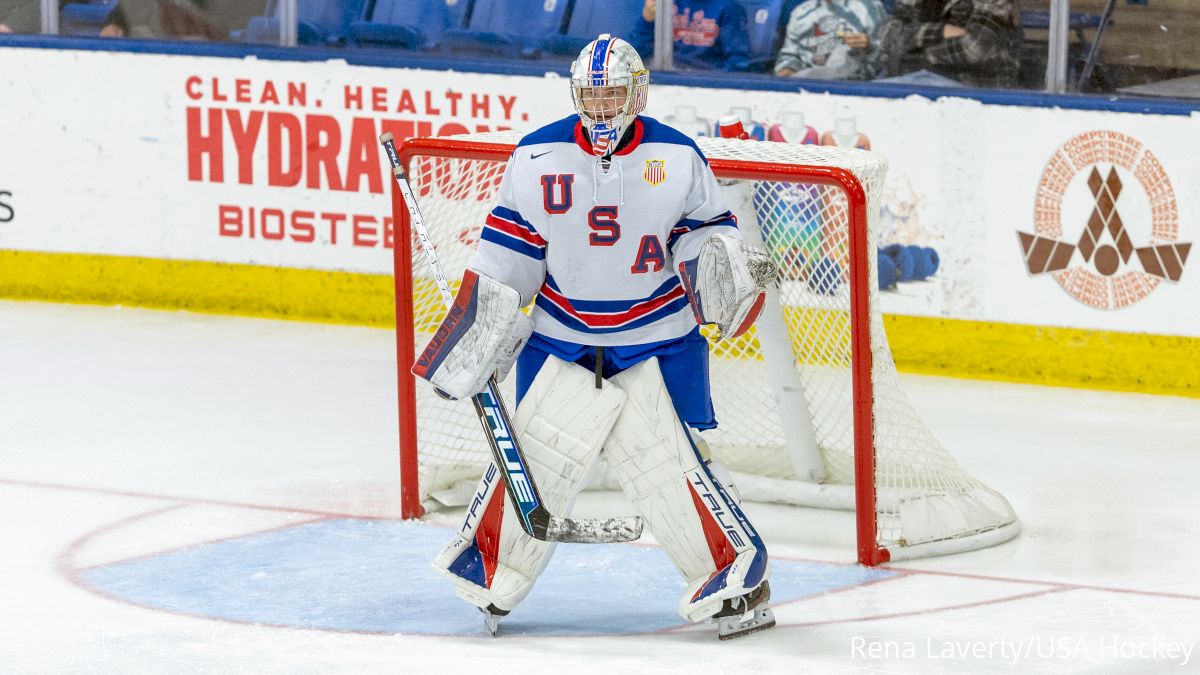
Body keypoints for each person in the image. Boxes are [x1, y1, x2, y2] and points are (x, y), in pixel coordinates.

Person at [412, 34, 779, 640]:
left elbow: (705, 231)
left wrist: (714, 261)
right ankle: (494, 574)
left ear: (638, 92)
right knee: (533, 459)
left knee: (676, 467)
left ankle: (737, 577)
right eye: (593, 96)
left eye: (614, 96)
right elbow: (512, 250)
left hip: (658, 337)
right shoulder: (536, 155)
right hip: (561, 335)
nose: (603, 109)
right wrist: (482, 326)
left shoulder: (679, 155)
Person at [877, 0, 1021, 88]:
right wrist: (942, 31)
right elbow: (886, 36)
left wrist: (916, 49)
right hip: (914, 86)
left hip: (978, 97)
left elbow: (973, 49)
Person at [774, 0, 889, 80]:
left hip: (857, 88)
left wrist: (869, 47)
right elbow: (789, 55)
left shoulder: (870, 7)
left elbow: (888, 56)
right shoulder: (800, 13)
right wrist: (786, 71)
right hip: (807, 88)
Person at [631, 0, 751, 72]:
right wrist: (646, 21)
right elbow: (634, 56)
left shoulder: (730, 7)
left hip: (708, 79)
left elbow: (737, 61)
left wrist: (716, 86)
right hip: (667, 77)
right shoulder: (664, 3)